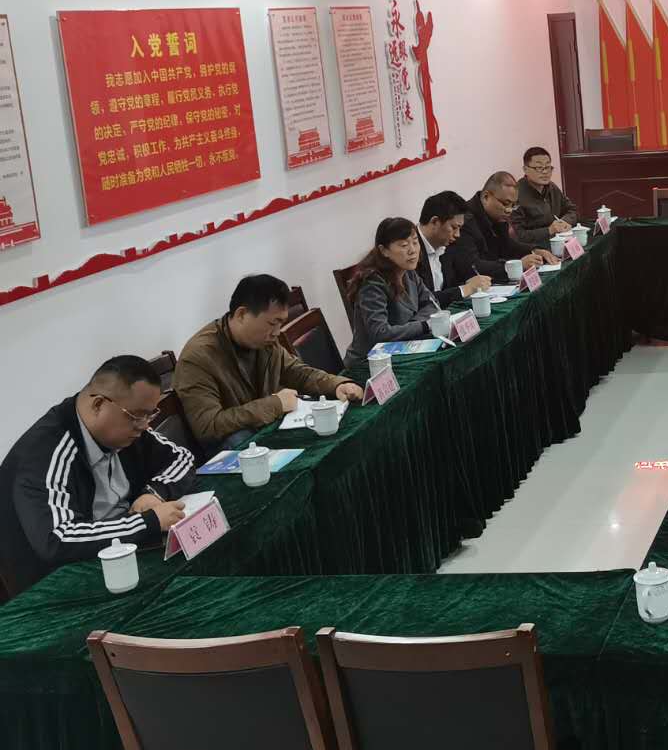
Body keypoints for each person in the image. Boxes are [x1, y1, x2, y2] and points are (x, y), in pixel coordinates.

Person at [0, 356, 195, 595]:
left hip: (121, 551)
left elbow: (182, 458)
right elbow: (58, 538)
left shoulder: (127, 429)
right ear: (98, 405)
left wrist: (154, 493)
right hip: (59, 584)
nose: (144, 426)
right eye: (137, 416)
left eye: (150, 415)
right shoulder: (45, 453)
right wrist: (149, 522)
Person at [175, 275, 364, 451]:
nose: (277, 332)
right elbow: (209, 426)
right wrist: (274, 405)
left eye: (281, 324)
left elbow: (298, 373)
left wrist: (337, 385)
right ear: (241, 314)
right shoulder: (198, 357)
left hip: (265, 432)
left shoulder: (264, 342)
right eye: (273, 323)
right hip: (235, 452)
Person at [342, 218, 436, 373]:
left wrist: (414, 325)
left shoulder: (408, 272)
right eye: (404, 245)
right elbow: (380, 333)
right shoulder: (372, 284)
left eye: (415, 242)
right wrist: (423, 325)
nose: (412, 250)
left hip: (404, 350)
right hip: (370, 364)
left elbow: (432, 303)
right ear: (384, 251)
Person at [443, 171, 555, 284]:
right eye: (505, 204)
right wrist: (517, 266)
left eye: (513, 205)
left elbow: (507, 245)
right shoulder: (464, 222)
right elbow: (473, 266)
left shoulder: (497, 217)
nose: (509, 210)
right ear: (486, 197)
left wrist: (534, 250)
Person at [415, 191, 488, 306]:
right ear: (435, 222)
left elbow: (466, 274)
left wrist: (473, 281)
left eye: (459, 228)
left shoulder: (448, 245)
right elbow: (422, 300)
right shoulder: (411, 251)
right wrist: (464, 289)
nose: (458, 234)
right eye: (454, 227)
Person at [512, 146, 578, 247]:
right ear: (525, 169)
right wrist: (549, 230)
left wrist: (565, 221)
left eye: (548, 167)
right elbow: (518, 235)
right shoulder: (516, 195)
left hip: (559, 242)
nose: (545, 172)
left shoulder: (551, 187)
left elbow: (572, 209)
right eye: (539, 168)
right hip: (534, 248)